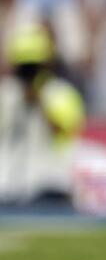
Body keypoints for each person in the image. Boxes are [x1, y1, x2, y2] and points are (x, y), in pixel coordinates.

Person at [0, 23, 85, 207]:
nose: (28, 74)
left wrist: (40, 103)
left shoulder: (61, 94)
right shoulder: (6, 94)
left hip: (51, 183)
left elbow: (63, 133)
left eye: (32, 67)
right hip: (9, 185)